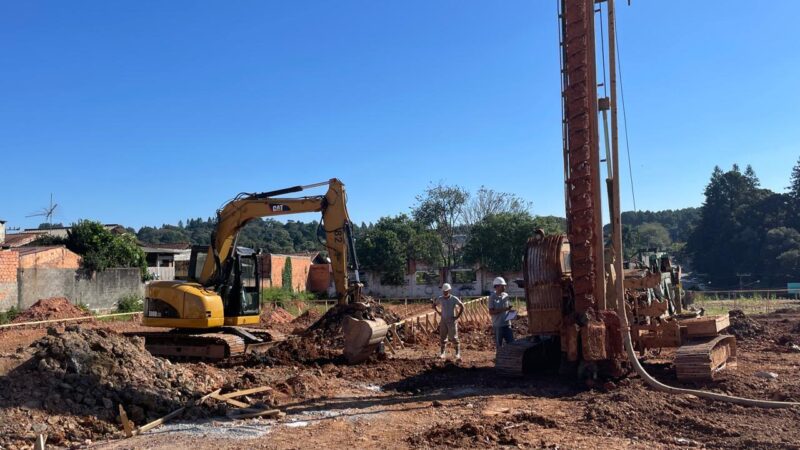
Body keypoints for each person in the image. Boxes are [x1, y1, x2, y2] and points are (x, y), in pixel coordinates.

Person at [433, 283, 464, 360]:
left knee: (453, 337)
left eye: (446, 291)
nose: (445, 292)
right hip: (443, 320)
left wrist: (457, 316)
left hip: (451, 321)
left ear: (449, 290)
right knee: (443, 337)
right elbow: (434, 305)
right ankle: (442, 353)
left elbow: (462, 306)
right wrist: (439, 312)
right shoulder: (440, 298)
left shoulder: (454, 299)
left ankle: (457, 353)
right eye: (444, 291)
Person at [488, 277, 514, 348]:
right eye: (502, 286)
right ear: (496, 286)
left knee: (511, 344)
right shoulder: (492, 297)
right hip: (498, 325)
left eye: (504, 286)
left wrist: (511, 312)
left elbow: (508, 307)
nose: (504, 287)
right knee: (499, 345)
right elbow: (491, 312)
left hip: (507, 324)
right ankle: (499, 358)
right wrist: (504, 309)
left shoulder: (506, 295)